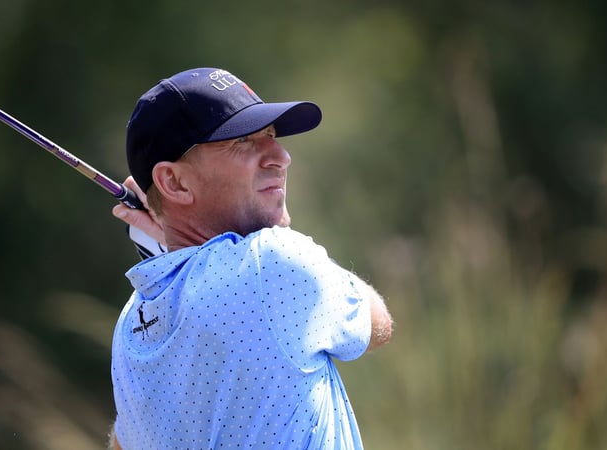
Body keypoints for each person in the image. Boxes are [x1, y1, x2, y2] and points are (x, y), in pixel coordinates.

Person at [108, 67, 393, 449]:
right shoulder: (275, 262)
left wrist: (179, 248)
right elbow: (379, 324)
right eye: (243, 141)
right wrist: (189, 248)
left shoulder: (132, 327)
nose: (281, 156)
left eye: (271, 137)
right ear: (174, 182)